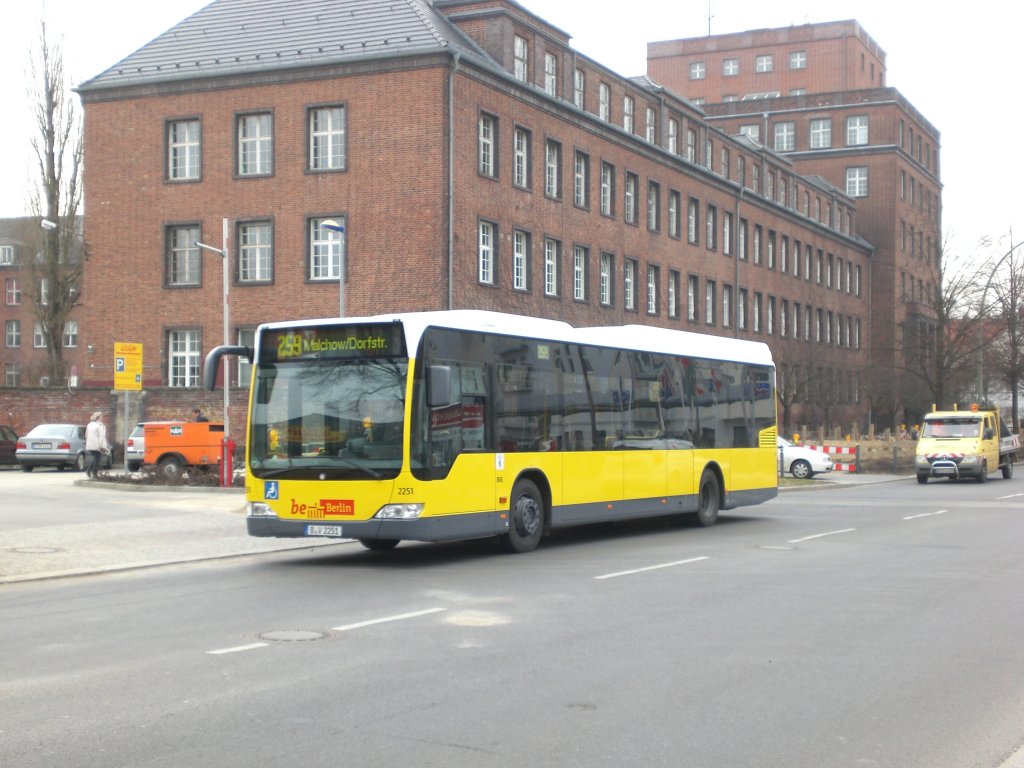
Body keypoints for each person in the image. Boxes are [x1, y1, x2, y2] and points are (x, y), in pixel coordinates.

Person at [84, 411, 109, 478]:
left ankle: (90, 471)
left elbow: (86, 435)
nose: (102, 418)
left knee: (94, 458)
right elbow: (101, 437)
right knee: (96, 459)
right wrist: (102, 446)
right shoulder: (100, 426)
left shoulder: (89, 424)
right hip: (97, 445)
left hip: (90, 444)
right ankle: (93, 472)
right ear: (98, 417)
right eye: (101, 416)